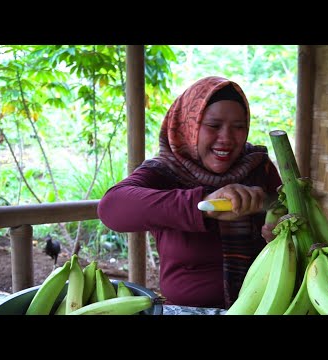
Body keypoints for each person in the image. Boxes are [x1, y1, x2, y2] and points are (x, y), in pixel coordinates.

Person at [97, 76, 282, 309]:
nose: (226, 138)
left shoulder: (259, 167)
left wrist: (279, 233)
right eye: (213, 126)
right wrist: (203, 205)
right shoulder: (165, 172)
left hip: (268, 303)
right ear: (189, 125)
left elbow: (290, 217)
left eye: (239, 127)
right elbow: (111, 207)